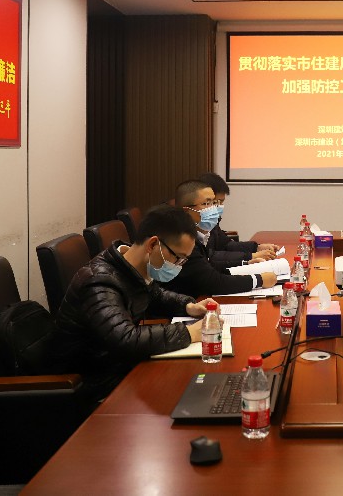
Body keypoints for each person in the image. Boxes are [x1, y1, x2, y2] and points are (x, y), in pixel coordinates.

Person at [51, 205, 215, 403]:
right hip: (94, 386)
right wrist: (189, 332)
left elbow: (155, 295)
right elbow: (126, 339)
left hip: (120, 368)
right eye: (177, 257)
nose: (178, 265)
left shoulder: (129, 267)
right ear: (153, 244)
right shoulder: (99, 281)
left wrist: (188, 306)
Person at [159, 180, 277, 298]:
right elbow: (213, 281)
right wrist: (258, 280)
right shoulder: (182, 240)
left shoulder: (198, 233)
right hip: (177, 304)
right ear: (186, 211)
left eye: (214, 202)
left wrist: (245, 263)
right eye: (206, 203)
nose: (214, 208)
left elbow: (208, 265)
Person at [198, 172, 278, 268]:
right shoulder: (192, 226)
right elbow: (210, 257)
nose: (219, 206)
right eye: (215, 202)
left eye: (221, 202)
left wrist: (256, 247)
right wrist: (251, 256)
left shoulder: (212, 221)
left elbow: (226, 244)